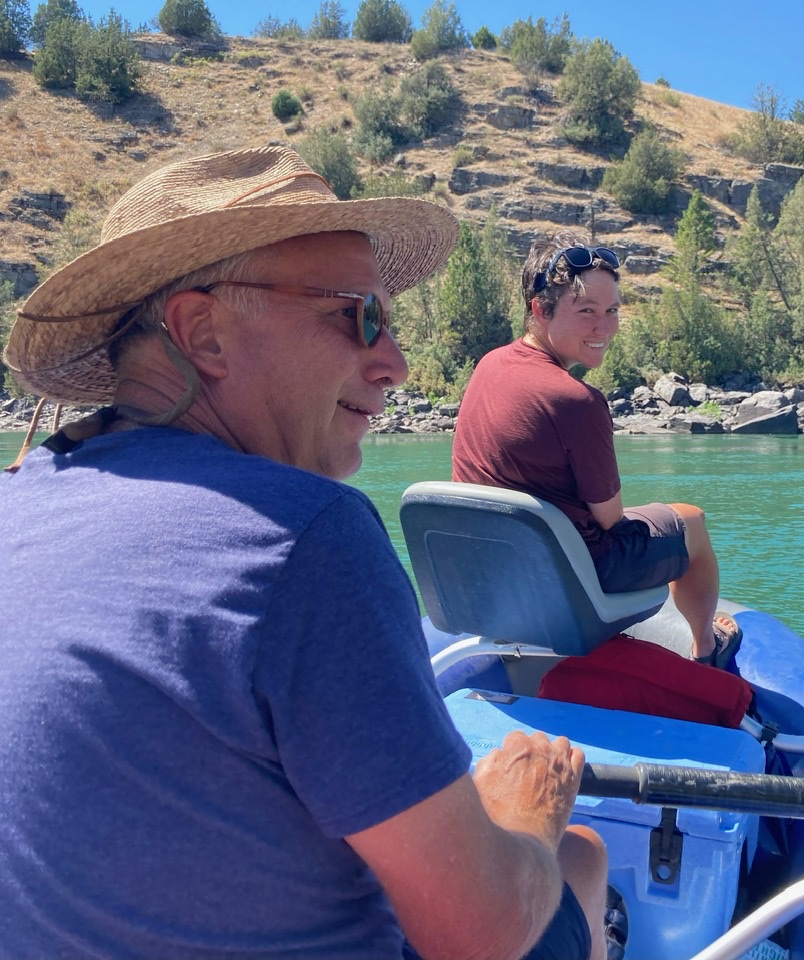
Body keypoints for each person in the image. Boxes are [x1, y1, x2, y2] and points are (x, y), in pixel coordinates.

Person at [0, 147, 612, 960]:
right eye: (358, 316)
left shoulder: (19, 502)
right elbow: (482, 934)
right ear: (202, 332)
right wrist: (530, 805)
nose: (394, 364)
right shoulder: (301, 537)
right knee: (578, 856)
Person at [452, 232, 742, 667]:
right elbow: (608, 519)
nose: (605, 328)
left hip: (494, 571)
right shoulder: (575, 400)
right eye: (586, 311)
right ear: (539, 309)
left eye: (612, 311)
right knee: (692, 522)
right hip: (572, 575)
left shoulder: (490, 364)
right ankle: (707, 648)